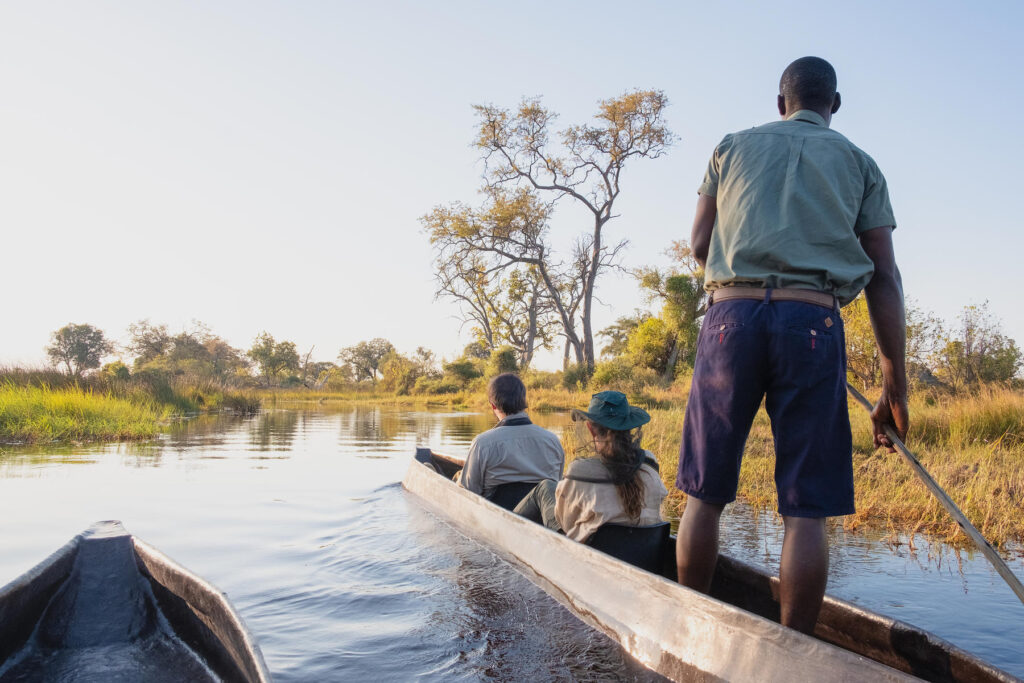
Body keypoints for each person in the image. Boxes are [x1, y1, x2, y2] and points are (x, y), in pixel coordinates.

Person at [675, 56, 909, 634]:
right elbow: (884, 275)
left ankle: (689, 628)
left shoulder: (731, 147)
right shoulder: (859, 162)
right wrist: (893, 384)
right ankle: (795, 652)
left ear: (781, 103)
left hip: (729, 320)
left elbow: (700, 242)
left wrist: (738, 289)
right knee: (806, 511)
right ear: (834, 105)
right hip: (812, 324)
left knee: (704, 495)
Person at [515, 391, 667, 542]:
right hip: (641, 551)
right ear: (629, 427)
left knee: (545, 487)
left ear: (590, 428)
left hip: (587, 555)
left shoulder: (580, 471)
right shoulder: (649, 462)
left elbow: (566, 523)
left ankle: (507, 526)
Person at [456, 373, 564, 501]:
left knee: (458, 477)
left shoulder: (482, 443)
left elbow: (468, 492)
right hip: (540, 518)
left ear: (493, 405)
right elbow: (557, 484)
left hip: (494, 516)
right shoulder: (553, 441)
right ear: (523, 400)